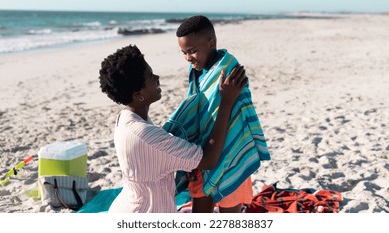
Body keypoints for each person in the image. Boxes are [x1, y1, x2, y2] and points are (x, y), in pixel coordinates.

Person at [98, 44, 247, 213]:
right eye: (150, 76)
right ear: (138, 95)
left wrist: (186, 164)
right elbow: (208, 160)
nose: (157, 77)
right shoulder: (144, 134)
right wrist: (226, 102)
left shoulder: (126, 117)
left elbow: (155, 157)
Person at [163, 15, 271, 213]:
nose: (188, 58)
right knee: (201, 208)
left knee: (229, 211)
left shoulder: (228, 70)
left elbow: (239, 111)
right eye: (184, 53)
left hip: (232, 148)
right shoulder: (197, 71)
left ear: (211, 42)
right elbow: (199, 110)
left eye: (193, 51)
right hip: (206, 150)